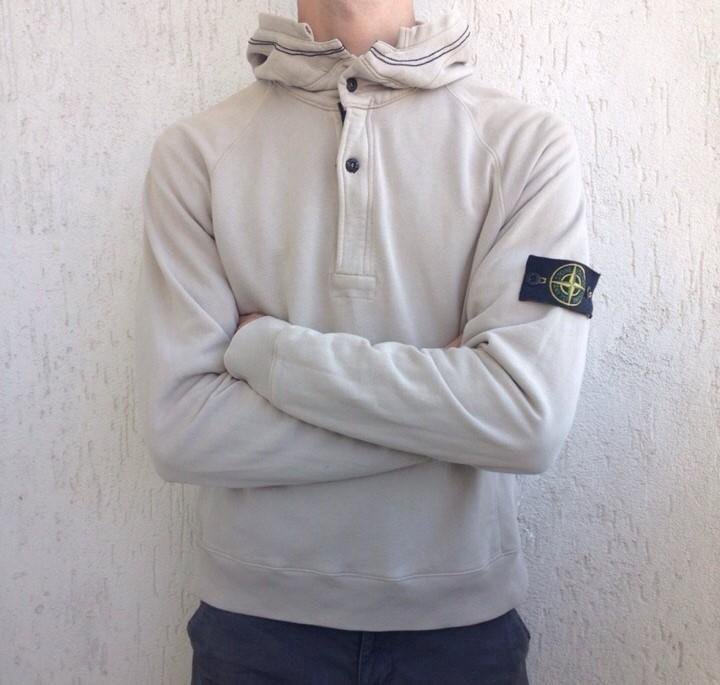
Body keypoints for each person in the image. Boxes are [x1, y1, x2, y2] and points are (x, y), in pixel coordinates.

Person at [134, 0, 601, 682]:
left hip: (459, 636)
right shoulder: (194, 155)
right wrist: (455, 417)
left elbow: (528, 421)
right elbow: (182, 431)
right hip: (254, 635)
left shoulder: (528, 148)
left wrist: (268, 353)